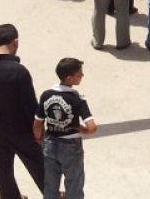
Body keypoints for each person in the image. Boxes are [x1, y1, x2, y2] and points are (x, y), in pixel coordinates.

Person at [0, 24, 45, 198]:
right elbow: (31, 106)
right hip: (20, 131)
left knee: (2, 169)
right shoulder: (19, 72)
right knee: (39, 164)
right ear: (15, 42)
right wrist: (39, 132)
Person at [33, 57, 96, 199]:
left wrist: (39, 139)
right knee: (74, 185)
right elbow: (92, 128)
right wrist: (80, 128)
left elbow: (37, 124)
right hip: (71, 147)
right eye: (79, 74)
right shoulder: (77, 99)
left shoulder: (46, 95)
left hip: (50, 144)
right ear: (69, 78)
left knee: (50, 186)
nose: (82, 76)